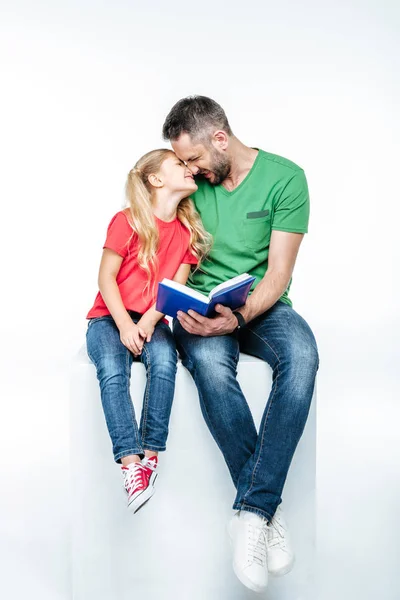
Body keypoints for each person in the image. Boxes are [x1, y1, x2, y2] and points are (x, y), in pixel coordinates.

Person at [162, 96, 319, 593]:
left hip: (259, 305)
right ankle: (265, 510)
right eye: (182, 163)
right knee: (210, 368)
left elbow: (278, 274)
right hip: (201, 308)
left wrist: (242, 316)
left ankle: (251, 513)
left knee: (303, 356)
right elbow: (171, 249)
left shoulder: (286, 178)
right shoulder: (192, 185)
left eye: (193, 159)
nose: (188, 171)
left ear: (221, 140)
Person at [86, 149, 212, 514]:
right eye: (179, 165)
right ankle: (130, 465)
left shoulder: (187, 231)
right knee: (112, 369)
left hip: (152, 318)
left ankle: (150, 455)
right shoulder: (127, 221)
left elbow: (173, 289)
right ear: (156, 180)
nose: (190, 170)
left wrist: (145, 323)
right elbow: (105, 278)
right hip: (108, 317)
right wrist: (125, 324)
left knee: (164, 361)